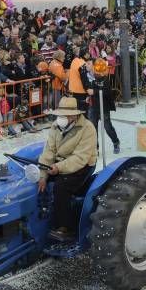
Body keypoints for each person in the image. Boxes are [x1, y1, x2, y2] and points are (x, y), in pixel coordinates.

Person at [37, 97, 97, 241]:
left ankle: (66, 228)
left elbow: (80, 157)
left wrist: (58, 168)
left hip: (83, 164)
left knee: (61, 187)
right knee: (36, 182)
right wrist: (43, 175)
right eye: (60, 115)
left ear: (74, 115)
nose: (61, 118)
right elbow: (49, 151)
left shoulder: (87, 129)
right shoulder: (55, 127)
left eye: (65, 115)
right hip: (59, 162)